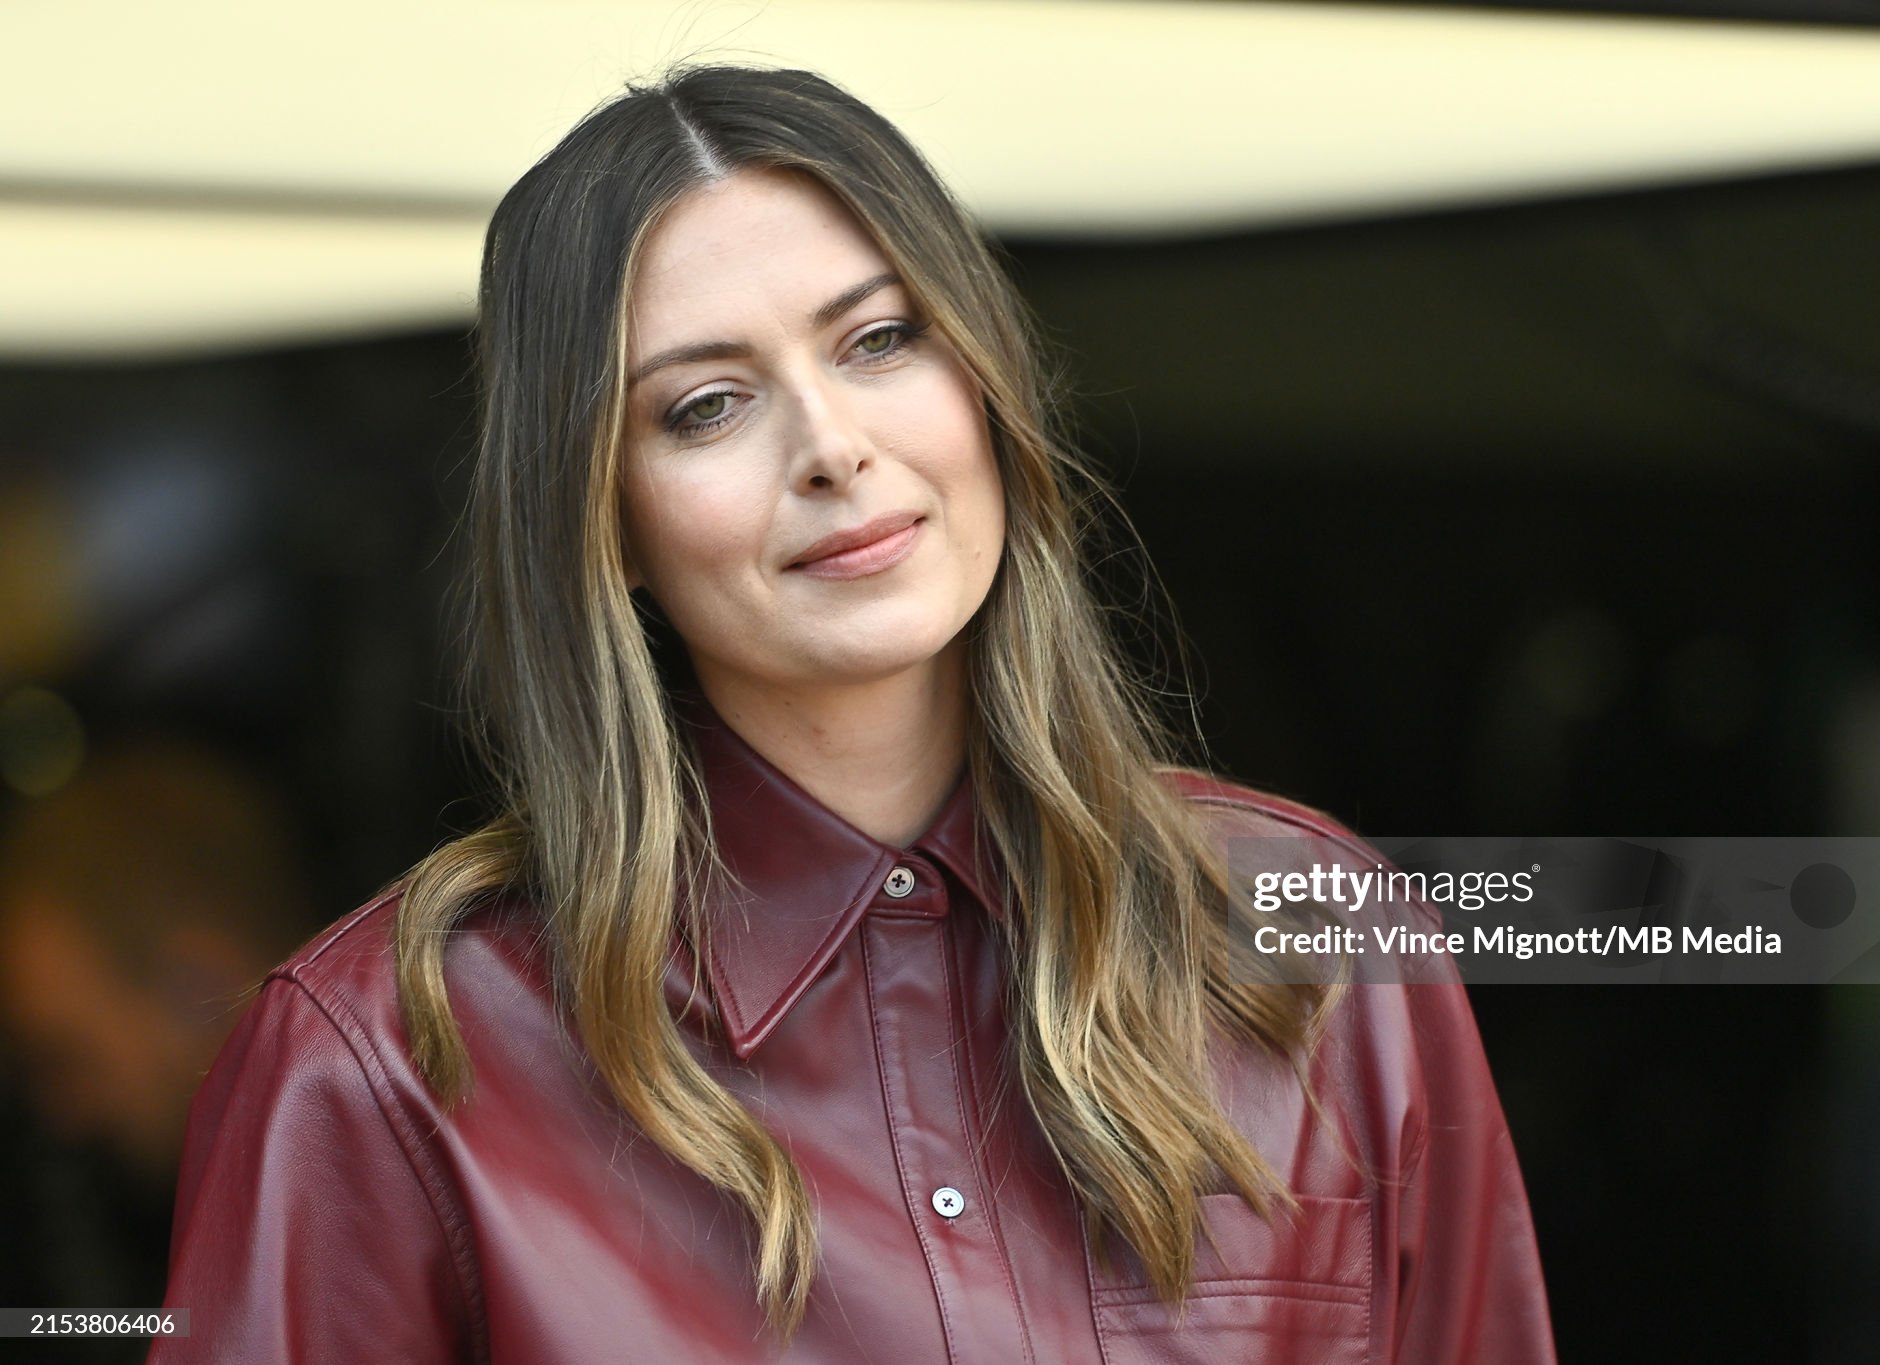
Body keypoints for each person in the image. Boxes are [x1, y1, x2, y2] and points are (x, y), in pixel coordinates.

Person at [151, 64, 1556, 1363]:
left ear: (987, 380)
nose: (834, 446)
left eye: (882, 339)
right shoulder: (381, 1065)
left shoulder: (1310, 933)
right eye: (706, 406)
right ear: (604, 518)